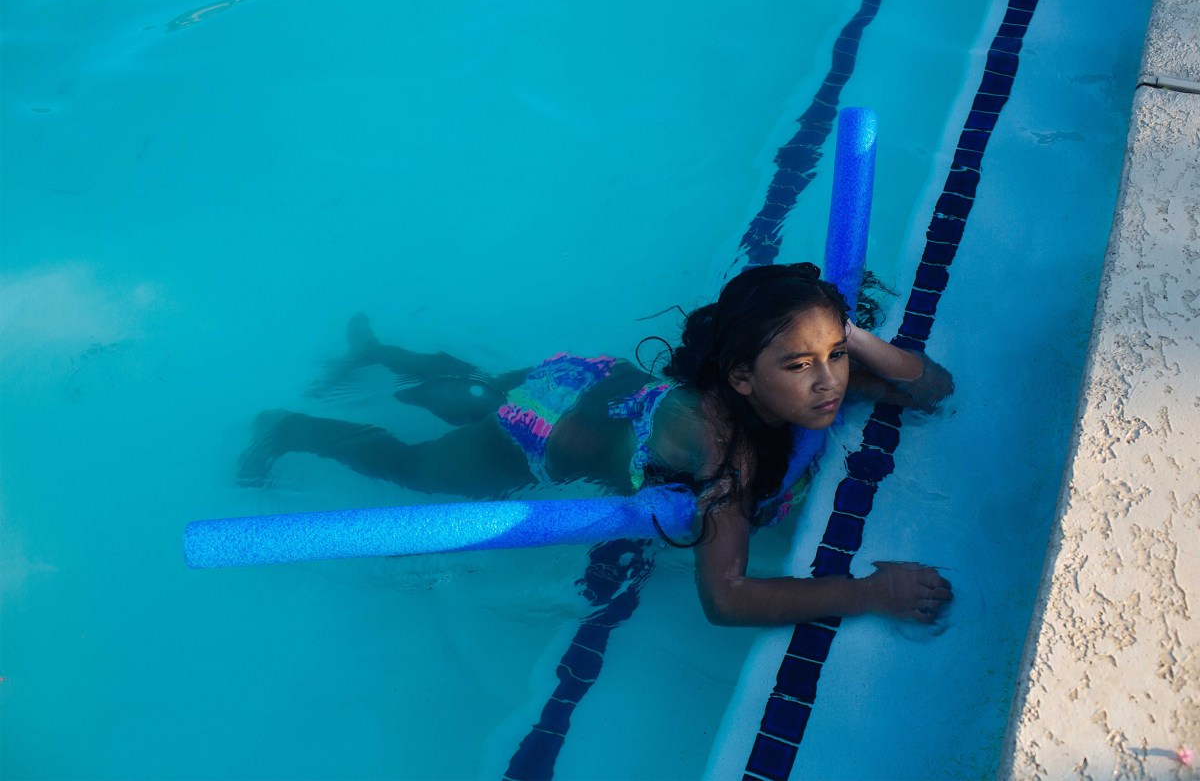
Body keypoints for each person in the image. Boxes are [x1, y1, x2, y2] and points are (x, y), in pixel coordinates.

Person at [239, 262, 954, 626]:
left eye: (836, 353)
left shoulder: (803, 377)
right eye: (803, 364)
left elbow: (932, 388)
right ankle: (289, 426)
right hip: (543, 432)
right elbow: (726, 597)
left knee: (484, 385)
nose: (830, 380)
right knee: (412, 465)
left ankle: (381, 352)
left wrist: (850, 334)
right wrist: (871, 592)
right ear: (742, 376)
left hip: (592, 380)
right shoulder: (722, 456)